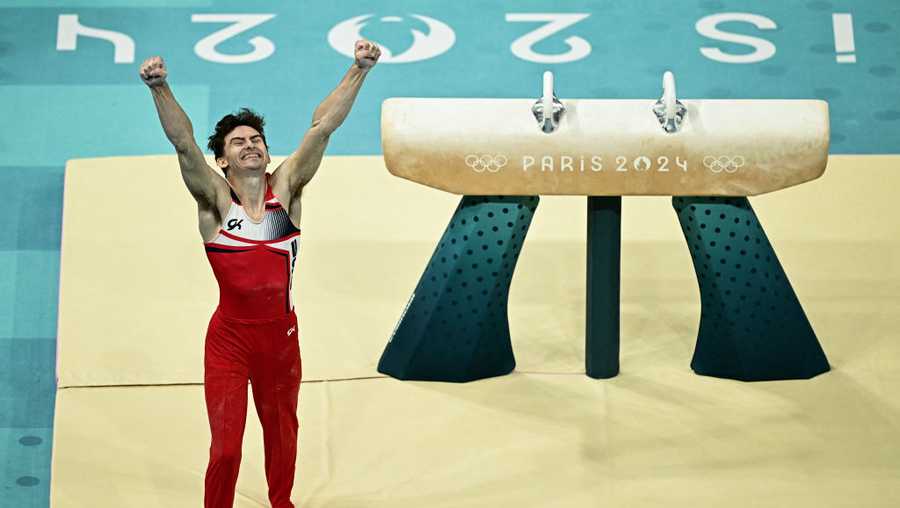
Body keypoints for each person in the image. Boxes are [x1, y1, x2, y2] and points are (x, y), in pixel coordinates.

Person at [139, 40, 381, 508]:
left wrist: (359, 69)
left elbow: (322, 128)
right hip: (229, 341)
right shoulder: (215, 203)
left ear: (267, 154)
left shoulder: (285, 193)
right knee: (227, 448)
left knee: (282, 435)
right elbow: (184, 144)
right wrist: (161, 88)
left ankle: (281, 503)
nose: (250, 145)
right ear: (223, 161)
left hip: (280, 339)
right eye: (238, 142)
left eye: (257, 140)